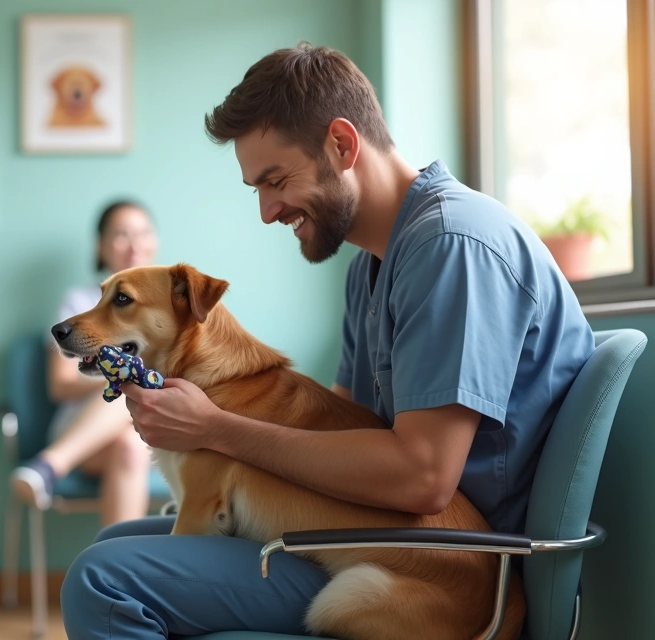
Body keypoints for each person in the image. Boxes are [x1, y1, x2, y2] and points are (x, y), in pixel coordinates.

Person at [60, 42, 596, 638]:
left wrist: (214, 427)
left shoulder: (451, 247)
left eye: (277, 180)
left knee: (103, 577)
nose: (267, 211)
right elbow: (329, 430)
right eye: (255, 189)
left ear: (342, 145)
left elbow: (424, 478)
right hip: (379, 533)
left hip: (437, 573)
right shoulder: (372, 266)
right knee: (118, 541)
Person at [10, 200, 159, 527]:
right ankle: (53, 463)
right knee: (124, 387)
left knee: (131, 446)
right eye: (121, 234)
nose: (134, 245)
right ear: (101, 246)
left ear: (154, 241)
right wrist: (118, 379)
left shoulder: (167, 308)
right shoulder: (78, 303)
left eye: (143, 233)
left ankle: (46, 468)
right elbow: (60, 384)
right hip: (83, 433)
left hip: (148, 433)